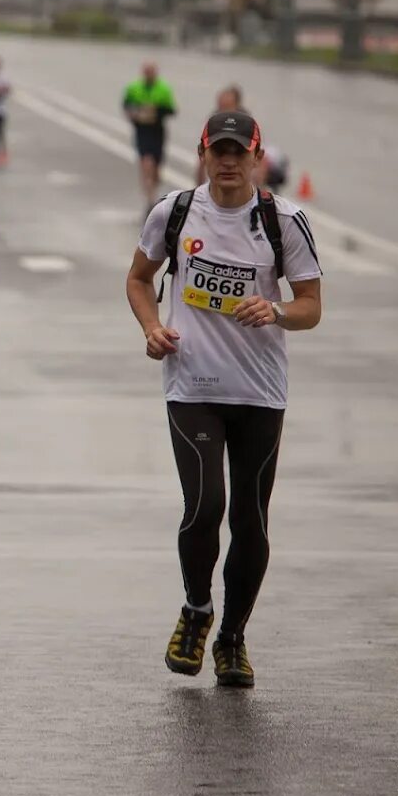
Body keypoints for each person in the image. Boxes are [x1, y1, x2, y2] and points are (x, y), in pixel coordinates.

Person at [125, 110, 322, 688]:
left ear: (258, 156)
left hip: (260, 392)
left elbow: (311, 304)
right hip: (193, 385)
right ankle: (196, 609)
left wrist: (277, 309)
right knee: (206, 504)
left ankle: (232, 637)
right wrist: (151, 327)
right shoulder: (176, 211)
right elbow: (139, 278)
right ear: (204, 153)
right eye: (220, 151)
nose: (229, 162)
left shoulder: (282, 221)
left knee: (250, 520)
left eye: (241, 152)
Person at [123, 62, 178, 209]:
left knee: (156, 167)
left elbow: (171, 110)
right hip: (142, 131)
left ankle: (153, 184)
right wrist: (135, 114)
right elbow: (126, 105)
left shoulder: (163, 89)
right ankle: (150, 198)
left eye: (151, 72)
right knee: (146, 162)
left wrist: (155, 111)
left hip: (157, 131)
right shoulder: (134, 88)